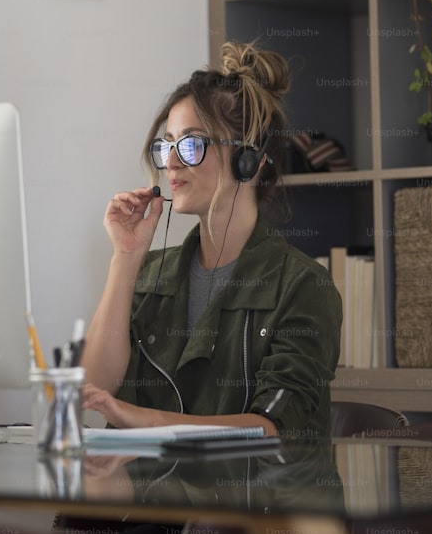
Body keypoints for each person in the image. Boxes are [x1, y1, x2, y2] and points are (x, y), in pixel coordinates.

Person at [80, 40, 341, 443]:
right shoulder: (150, 272)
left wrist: (139, 419)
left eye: (191, 143)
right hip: (149, 501)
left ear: (247, 161)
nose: (169, 162)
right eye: (166, 144)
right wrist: (126, 258)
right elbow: (96, 390)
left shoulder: (304, 287)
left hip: (250, 501)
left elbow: (271, 427)